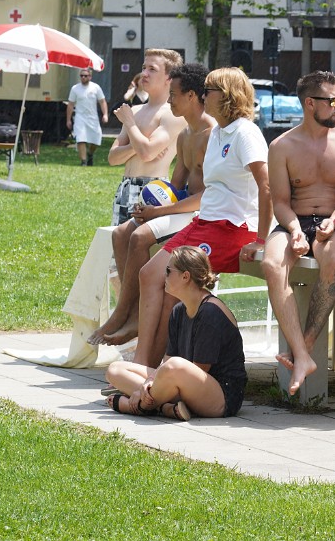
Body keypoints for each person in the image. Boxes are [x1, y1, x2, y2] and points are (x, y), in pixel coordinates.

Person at [132, 67, 271, 368]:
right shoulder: (218, 132)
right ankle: (142, 363)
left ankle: (154, 371)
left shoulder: (245, 133)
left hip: (231, 228)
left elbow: (267, 186)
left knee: (174, 289)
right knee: (150, 274)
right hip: (205, 222)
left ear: (229, 96)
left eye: (210, 90)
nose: (204, 95)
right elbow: (211, 190)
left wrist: (261, 239)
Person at [88, 62, 215, 346]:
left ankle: (125, 314)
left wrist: (158, 212)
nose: (170, 101)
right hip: (184, 208)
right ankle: (128, 310)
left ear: (192, 96)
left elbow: (208, 196)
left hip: (203, 212)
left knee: (140, 235)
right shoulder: (185, 136)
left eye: (175, 94)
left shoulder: (212, 135)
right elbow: (177, 187)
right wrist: (151, 206)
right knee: (123, 231)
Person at [262, 71, 335, 396]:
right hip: (296, 220)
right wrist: (294, 231)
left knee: (332, 256)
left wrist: (333, 222)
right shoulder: (282, 146)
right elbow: (280, 202)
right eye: (332, 101)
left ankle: (302, 348)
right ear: (310, 103)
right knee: (271, 263)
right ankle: (303, 356)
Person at [105, 245, 247, 420]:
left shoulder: (210, 313)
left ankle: (138, 406)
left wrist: (149, 385)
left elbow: (198, 370)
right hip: (182, 383)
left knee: (175, 366)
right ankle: (165, 406)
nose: (163, 276)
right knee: (115, 370)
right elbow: (167, 361)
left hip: (221, 398)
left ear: (185, 276)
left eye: (168, 271)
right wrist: (151, 381)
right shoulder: (179, 310)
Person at [107, 48, 187, 226]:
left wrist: (129, 124)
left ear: (169, 77)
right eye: (144, 67)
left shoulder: (172, 114)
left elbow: (146, 154)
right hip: (125, 187)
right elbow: (113, 158)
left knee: (141, 250)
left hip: (153, 190)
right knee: (118, 248)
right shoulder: (134, 111)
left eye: (152, 69)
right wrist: (138, 146)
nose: (144, 73)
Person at [66, 69, 108, 166]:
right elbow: (71, 104)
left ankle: (90, 153)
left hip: (93, 117)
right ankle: (84, 161)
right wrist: (68, 119)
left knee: (97, 139)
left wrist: (105, 114)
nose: (83, 77)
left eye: (85, 75)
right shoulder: (75, 88)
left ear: (90, 77)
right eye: (81, 76)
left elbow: (102, 101)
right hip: (80, 116)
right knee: (81, 138)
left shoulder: (96, 87)